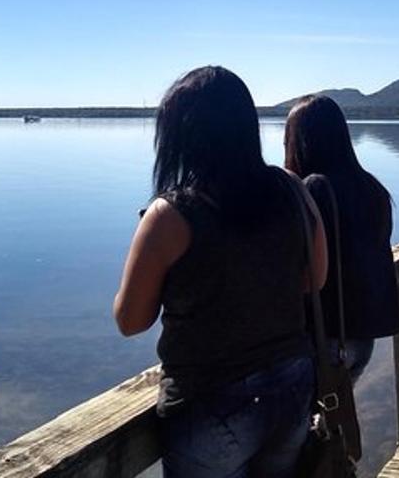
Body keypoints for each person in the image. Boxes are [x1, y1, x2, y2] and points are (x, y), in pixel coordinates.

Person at [113, 66, 328, 478]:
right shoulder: (293, 190)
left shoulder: (171, 214)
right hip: (292, 384)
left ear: (180, 134)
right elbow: (315, 280)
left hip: (210, 399)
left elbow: (131, 321)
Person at [284, 95, 399, 383]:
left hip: (325, 338)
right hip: (362, 336)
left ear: (301, 141)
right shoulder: (372, 187)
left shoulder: (313, 190)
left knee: (314, 423)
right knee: (336, 418)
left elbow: (295, 263)